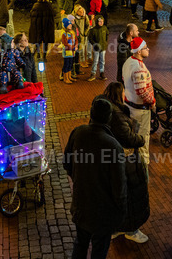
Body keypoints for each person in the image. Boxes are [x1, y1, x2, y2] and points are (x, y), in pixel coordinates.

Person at [64, 98, 128, 259]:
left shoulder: (78, 133)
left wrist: (79, 178)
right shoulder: (113, 146)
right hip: (103, 213)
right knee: (99, 250)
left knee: (80, 243)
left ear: (91, 114)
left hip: (81, 205)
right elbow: (119, 186)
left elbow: (67, 163)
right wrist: (121, 210)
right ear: (109, 118)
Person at [97, 82, 150, 244]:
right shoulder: (117, 115)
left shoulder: (103, 106)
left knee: (115, 194)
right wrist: (140, 139)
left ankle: (115, 227)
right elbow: (128, 137)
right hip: (125, 160)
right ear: (118, 94)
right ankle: (130, 229)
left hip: (108, 160)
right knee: (131, 194)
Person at [122, 37, 155, 164]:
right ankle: (142, 169)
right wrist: (152, 102)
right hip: (140, 110)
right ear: (139, 51)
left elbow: (124, 79)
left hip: (129, 105)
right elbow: (142, 91)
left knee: (130, 139)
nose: (148, 49)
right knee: (143, 140)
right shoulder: (139, 67)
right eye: (146, 47)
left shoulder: (128, 61)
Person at [29, 0, 56, 65]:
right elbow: (53, 15)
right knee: (45, 41)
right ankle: (44, 56)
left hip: (37, 26)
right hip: (46, 26)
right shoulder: (49, 6)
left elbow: (32, 15)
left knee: (38, 40)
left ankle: (38, 54)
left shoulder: (36, 5)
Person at [57, 16, 79, 84]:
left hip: (72, 53)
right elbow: (65, 43)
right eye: (69, 25)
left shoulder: (72, 32)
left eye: (70, 24)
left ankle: (69, 77)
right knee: (66, 65)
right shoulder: (64, 34)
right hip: (67, 53)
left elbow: (76, 39)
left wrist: (76, 45)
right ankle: (65, 78)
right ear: (66, 26)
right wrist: (73, 48)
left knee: (70, 65)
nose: (71, 25)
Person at [86, 14, 108, 81]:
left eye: (102, 21)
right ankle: (93, 73)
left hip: (103, 48)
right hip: (96, 48)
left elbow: (107, 35)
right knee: (95, 61)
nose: (101, 23)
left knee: (102, 61)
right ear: (97, 22)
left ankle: (102, 73)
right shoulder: (93, 30)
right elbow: (90, 38)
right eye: (100, 21)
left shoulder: (104, 28)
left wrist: (105, 43)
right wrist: (95, 44)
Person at [73, 5, 91, 74]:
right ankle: (81, 62)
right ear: (76, 12)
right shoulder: (74, 17)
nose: (81, 12)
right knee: (80, 49)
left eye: (82, 11)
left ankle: (83, 61)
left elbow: (88, 25)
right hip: (77, 36)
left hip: (83, 35)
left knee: (83, 48)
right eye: (80, 11)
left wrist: (85, 33)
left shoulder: (85, 16)